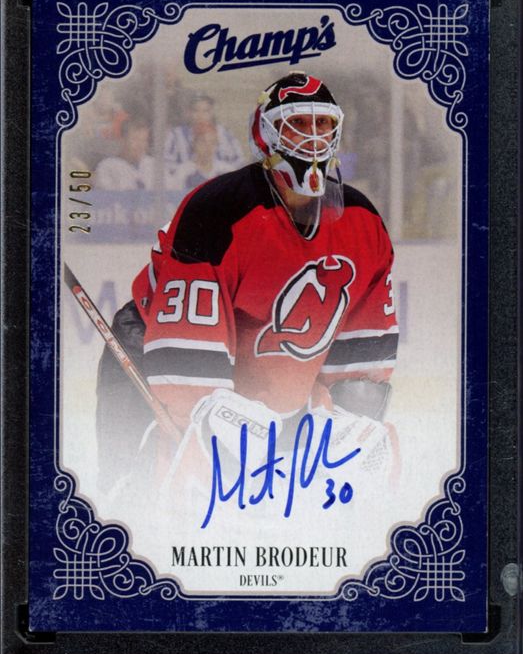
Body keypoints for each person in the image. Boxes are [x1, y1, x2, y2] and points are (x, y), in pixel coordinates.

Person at [97, 71, 398, 492]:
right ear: (266, 134)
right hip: (151, 355)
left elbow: (363, 351)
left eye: (323, 124)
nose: (313, 138)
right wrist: (214, 418)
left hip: (262, 382)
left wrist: (351, 418)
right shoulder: (216, 210)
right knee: (136, 499)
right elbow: (184, 357)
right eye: (298, 124)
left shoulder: (362, 220)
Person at [164, 93, 244, 191]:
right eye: (196, 111)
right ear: (189, 112)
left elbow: (239, 163)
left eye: (205, 111)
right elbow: (166, 166)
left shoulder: (225, 134)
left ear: (212, 112)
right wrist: (185, 173)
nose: (200, 116)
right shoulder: (176, 135)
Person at [95, 116, 154, 190]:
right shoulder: (106, 167)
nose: (140, 145)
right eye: (135, 139)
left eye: (144, 140)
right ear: (123, 140)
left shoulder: (154, 165)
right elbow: (106, 195)